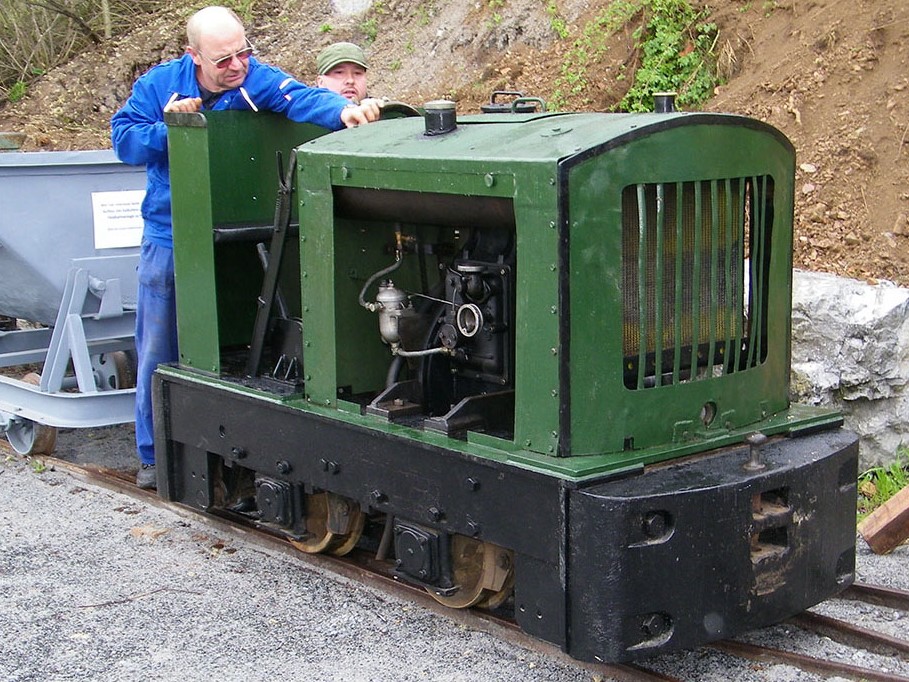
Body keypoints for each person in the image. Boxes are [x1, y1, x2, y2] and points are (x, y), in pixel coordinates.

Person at [111, 6, 381, 490]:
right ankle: (153, 454)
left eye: (243, 53)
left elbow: (298, 98)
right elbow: (126, 142)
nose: (237, 66)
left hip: (247, 223)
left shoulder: (255, 79)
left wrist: (342, 112)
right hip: (172, 231)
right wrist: (170, 130)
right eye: (224, 60)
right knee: (158, 343)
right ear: (194, 56)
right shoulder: (158, 86)